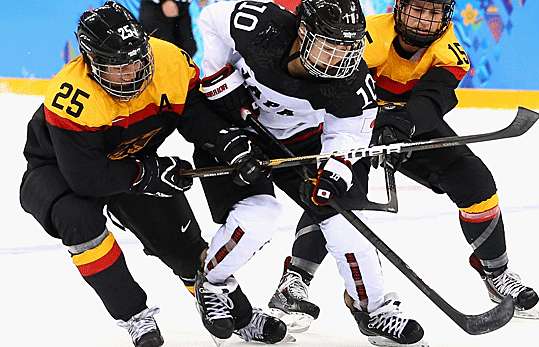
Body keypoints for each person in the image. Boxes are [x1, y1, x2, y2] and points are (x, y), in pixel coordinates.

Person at [268, 0, 539, 338]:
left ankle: (496, 272)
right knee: (334, 193)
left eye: (432, 13)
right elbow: (338, 90)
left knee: (475, 182)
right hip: (350, 123)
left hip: (405, 128)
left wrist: (403, 127)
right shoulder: (367, 36)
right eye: (417, 9)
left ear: (446, 17)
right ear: (399, 7)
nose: (424, 20)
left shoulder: (450, 51)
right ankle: (294, 280)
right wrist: (374, 125)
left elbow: (432, 100)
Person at [192, 0, 427, 345]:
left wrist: (332, 174)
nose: (339, 60)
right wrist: (217, 75)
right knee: (259, 217)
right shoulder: (261, 26)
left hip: (300, 143)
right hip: (233, 136)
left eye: (347, 48)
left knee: (344, 221)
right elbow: (211, 18)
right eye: (330, 47)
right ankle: (212, 284)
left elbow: (348, 133)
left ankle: (372, 309)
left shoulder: (352, 82)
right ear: (302, 33)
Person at [19, 2, 218, 346]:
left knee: (175, 235)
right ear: (92, 63)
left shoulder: (169, 61)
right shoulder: (73, 96)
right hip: (58, 171)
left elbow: (196, 116)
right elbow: (86, 178)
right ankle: (134, 315)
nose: (130, 72)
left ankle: (231, 307)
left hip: (127, 158)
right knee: (77, 218)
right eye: (116, 67)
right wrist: (148, 173)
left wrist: (226, 142)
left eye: (135, 60)